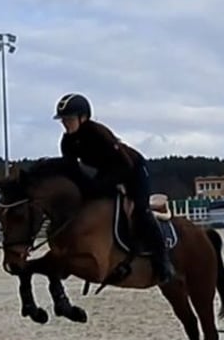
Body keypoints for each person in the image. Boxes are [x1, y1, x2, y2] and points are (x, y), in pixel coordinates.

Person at [52, 92, 175, 283]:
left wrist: (104, 185)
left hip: (133, 170)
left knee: (141, 211)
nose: (65, 123)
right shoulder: (67, 142)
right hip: (107, 172)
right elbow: (73, 170)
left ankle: (163, 261)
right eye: (63, 120)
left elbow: (124, 165)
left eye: (68, 119)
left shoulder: (99, 134)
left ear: (83, 118)